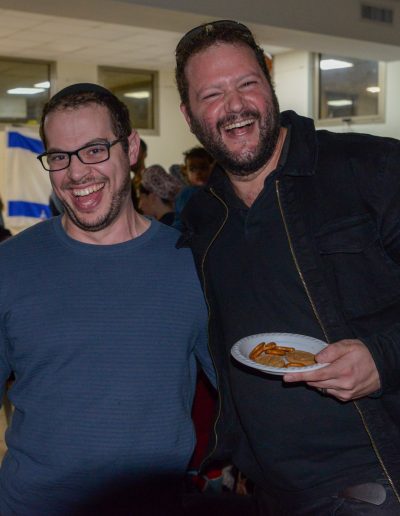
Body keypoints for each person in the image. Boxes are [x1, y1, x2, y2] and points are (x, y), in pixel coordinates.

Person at [174, 19, 400, 515]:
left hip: (378, 481)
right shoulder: (202, 218)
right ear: (189, 115)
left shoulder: (371, 169)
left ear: (269, 86)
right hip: (270, 491)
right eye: (212, 94)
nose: (235, 105)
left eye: (247, 83)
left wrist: (382, 359)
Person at [0, 83, 214, 515]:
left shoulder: (191, 264)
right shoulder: (11, 265)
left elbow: (247, 393)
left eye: (94, 150)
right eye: (59, 157)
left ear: (130, 148)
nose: (76, 173)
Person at [173, 146, 214, 230]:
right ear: (186, 172)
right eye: (192, 169)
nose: (198, 173)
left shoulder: (214, 190)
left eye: (203, 168)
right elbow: (187, 218)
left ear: (211, 169)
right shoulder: (187, 192)